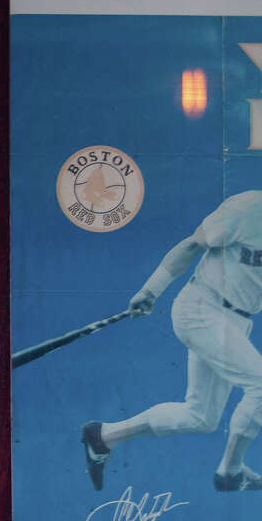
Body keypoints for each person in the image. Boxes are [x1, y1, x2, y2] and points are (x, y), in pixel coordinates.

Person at [82, 190, 262, 492]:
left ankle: (104, 436)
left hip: (236, 321)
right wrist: (151, 290)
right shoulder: (247, 208)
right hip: (202, 308)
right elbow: (192, 244)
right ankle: (231, 473)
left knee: (201, 417)